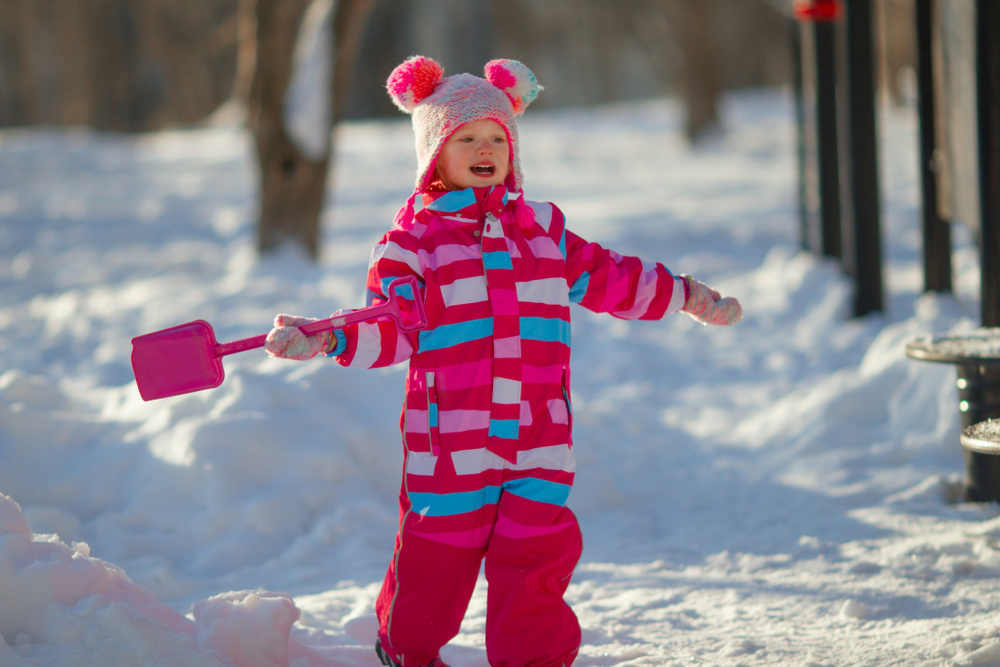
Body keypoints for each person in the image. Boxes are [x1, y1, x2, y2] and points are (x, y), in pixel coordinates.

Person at [265, 56, 742, 667]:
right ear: (434, 153)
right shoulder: (413, 245)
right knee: (437, 561)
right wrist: (328, 338)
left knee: (537, 557)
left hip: (539, 436)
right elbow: (392, 326)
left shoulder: (542, 231)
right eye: (464, 138)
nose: (484, 148)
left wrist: (686, 295)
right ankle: (405, 648)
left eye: (496, 137)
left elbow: (610, 277)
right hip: (451, 445)